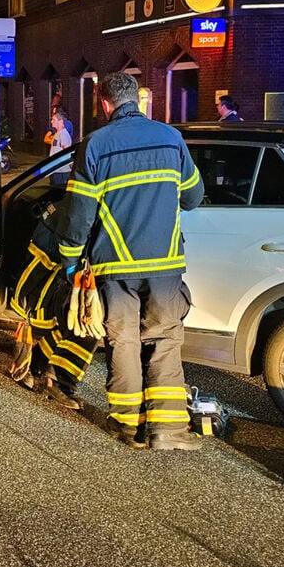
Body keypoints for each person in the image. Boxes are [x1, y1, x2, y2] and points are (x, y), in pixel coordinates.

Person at [58, 72, 204, 451]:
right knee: (165, 338)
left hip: (115, 266)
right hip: (165, 264)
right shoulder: (171, 138)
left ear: (104, 104)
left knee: (122, 341)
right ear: (137, 100)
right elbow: (192, 196)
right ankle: (167, 430)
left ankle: (126, 425)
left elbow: (78, 216)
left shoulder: (95, 146)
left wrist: (71, 261)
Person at [8, 200, 96, 409]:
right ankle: (57, 381)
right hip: (54, 277)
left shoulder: (73, 201)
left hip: (54, 272)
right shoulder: (85, 206)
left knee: (73, 324)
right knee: (85, 326)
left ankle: (40, 364)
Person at [48, 112, 73, 187]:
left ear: (61, 121)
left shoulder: (63, 134)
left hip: (61, 171)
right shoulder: (57, 133)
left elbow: (67, 151)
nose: (51, 121)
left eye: (53, 119)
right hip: (56, 169)